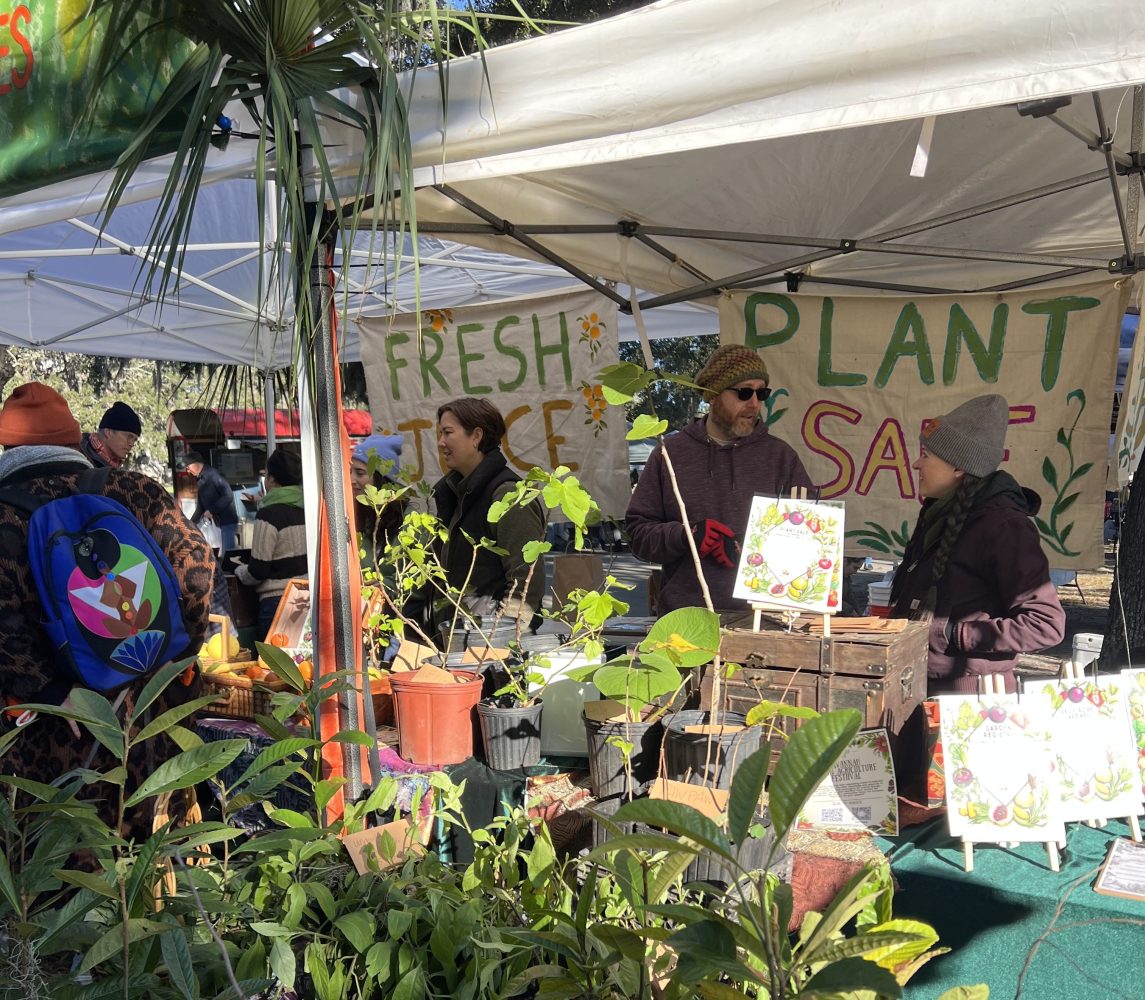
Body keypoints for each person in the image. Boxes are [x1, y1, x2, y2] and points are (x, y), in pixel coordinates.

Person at [0, 382, 214, 838]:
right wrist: (168, 656)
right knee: (151, 859)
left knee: (59, 872)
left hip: (50, 731)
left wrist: (53, 689)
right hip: (143, 713)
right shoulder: (133, 489)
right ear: (70, 437)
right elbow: (196, 570)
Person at [889, 394, 1065, 694]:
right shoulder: (939, 512)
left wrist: (953, 634)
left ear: (958, 467)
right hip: (918, 683)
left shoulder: (1005, 526)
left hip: (969, 699)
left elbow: (1045, 624)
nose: (917, 463)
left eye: (927, 455)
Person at [626, 344, 813, 612]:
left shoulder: (780, 458)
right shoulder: (670, 454)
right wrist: (687, 535)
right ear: (712, 395)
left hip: (765, 623)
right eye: (744, 392)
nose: (755, 403)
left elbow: (810, 540)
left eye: (762, 393)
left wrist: (756, 544)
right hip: (686, 623)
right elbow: (637, 535)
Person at [423, 398, 546, 632]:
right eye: (440, 434)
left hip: (487, 648)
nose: (440, 443)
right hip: (457, 639)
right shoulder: (453, 494)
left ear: (476, 436)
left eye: (448, 433)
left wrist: (502, 639)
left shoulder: (507, 495)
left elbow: (526, 581)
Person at [232, 449, 307, 641]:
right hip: (306, 599)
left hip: (276, 603)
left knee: (270, 668)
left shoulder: (268, 514)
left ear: (271, 479)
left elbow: (258, 571)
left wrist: (240, 571)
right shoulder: (308, 508)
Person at [350, 433, 408, 572]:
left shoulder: (409, 521)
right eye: (349, 471)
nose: (351, 479)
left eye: (360, 473)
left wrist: (385, 586)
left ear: (381, 479)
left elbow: (416, 587)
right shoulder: (354, 514)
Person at [182, 450, 240, 554]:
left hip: (227, 521)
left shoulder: (213, 474)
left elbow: (228, 495)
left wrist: (212, 510)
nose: (188, 471)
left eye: (188, 468)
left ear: (195, 464)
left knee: (228, 554)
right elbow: (200, 507)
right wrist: (190, 523)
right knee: (218, 554)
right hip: (216, 523)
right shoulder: (199, 480)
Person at [80, 400, 142, 468]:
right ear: (108, 432)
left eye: (134, 440)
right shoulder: (78, 458)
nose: (132, 444)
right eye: (129, 437)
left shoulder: (116, 469)